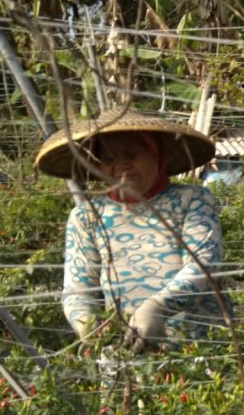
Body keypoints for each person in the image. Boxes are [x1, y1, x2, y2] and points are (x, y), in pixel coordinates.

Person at [35, 109, 230, 350]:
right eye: (108, 159)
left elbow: (203, 265)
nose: (120, 165)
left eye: (132, 154)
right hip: (125, 352)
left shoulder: (193, 200)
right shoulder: (87, 217)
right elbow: (77, 290)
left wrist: (157, 307)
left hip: (198, 349)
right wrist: (88, 323)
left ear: (157, 156)